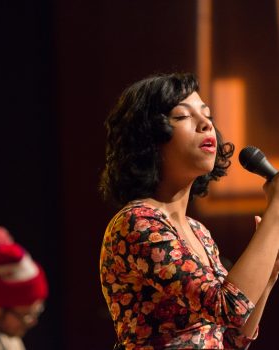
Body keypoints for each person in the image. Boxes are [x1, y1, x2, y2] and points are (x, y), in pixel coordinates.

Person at [99, 73, 279, 349]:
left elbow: (233, 337)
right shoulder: (137, 223)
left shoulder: (198, 231)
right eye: (183, 116)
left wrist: (265, 281)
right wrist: (276, 210)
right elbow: (229, 306)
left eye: (207, 114)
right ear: (150, 138)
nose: (206, 124)